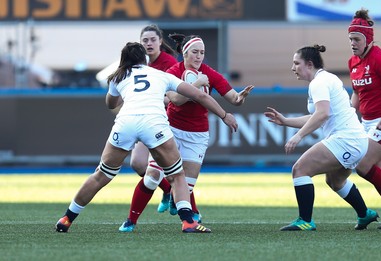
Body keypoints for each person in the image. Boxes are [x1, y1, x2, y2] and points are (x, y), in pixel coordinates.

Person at [55, 42, 239, 233]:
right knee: (176, 175)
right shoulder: (161, 75)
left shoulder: (118, 77)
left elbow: (110, 104)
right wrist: (225, 115)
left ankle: (67, 218)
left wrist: (118, 86)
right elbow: (201, 97)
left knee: (102, 174)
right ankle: (188, 222)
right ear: (144, 59)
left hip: (126, 123)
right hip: (154, 124)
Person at [118, 34, 254, 232]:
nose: (199, 57)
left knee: (186, 186)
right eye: (195, 52)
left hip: (197, 135)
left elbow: (233, 98)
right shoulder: (174, 71)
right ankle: (131, 221)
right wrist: (198, 84)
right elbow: (176, 99)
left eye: (202, 53)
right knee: (152, 175)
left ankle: (186, 218)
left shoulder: (209, 73)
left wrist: (240, 98)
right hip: (170, 130)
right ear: (185, 53)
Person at [264, 44, 378, 231]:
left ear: (309, 64)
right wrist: (285, 121)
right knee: (335, 181)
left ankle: (306, 221)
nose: (293, 68)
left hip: (346, 139)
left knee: (300, 169)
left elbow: (322, 114)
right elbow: (318, 115)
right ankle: (365, 214)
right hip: (355, 140)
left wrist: (298, 136)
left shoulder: (318, 82)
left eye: (296, 63)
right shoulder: (325, 79)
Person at [346, 9, 381, 229]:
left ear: (367, 39)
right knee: (380, 174)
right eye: (350, 39)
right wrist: (348, 116)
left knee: (362, 163)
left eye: (357, 38)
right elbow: (357, 93)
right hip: (367, 122)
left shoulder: (380, 57)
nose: (352, 43)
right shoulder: (353, 62)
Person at [129, 24, 178, 214]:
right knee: (137, 163)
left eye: (152, 40)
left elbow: (174, 96)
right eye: (145, 40)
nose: (149, 43)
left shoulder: (168, 63)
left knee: (174, 168)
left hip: (165, 120)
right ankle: (168, 191)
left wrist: (151, 98)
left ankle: (190, 213)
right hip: (144, 119)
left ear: (160, 42)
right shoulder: (139, 63)